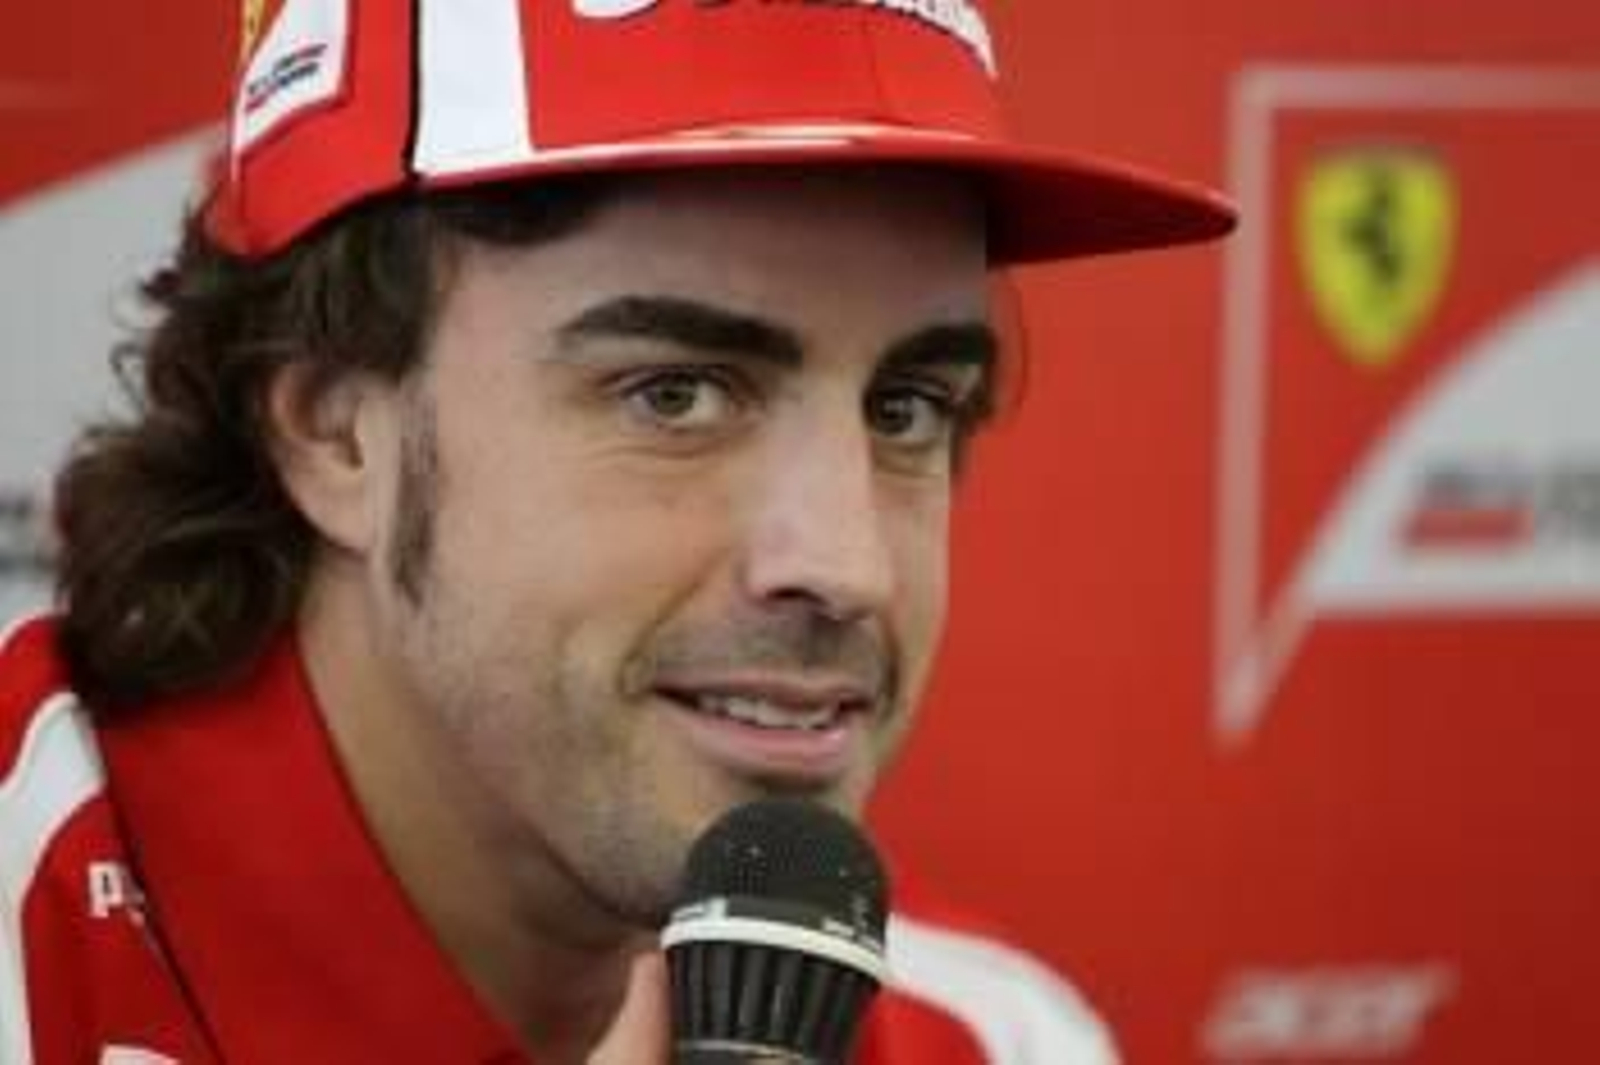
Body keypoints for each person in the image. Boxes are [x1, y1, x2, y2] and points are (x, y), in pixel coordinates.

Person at [0, 1, 1233, 1062]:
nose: (845, 567)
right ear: (336, 433)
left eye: (905, 408)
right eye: (675, 395)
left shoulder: (993, 1036)